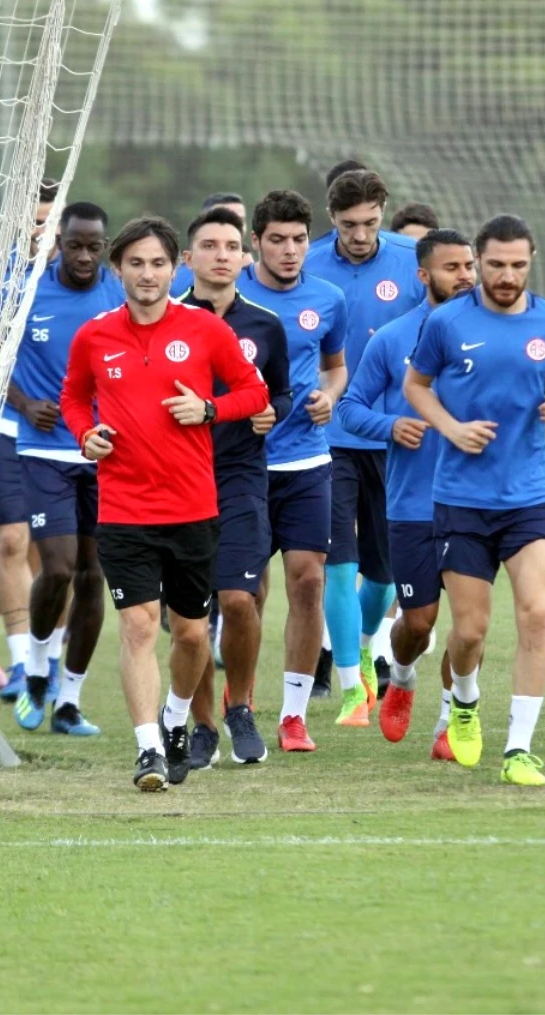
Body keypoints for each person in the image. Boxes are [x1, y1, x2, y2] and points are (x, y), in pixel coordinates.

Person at [60, 215, 269, 790]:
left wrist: (207, 410)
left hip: (194, 508)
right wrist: (87, 436)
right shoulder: (94, 335)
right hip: (123, 510)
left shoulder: (205, 331)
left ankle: (177, 719)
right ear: (117, 269)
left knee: (193, 634)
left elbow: (254, 393)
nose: (147, 274)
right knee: (137, 627)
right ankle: (149, 748)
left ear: (173, 267)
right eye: (135, 263)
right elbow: (75, 398)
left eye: (157, 263)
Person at [404, 214, 545, 787]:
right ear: (479, 263)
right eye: (496, 265)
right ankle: (464, 702)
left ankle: (519, 748)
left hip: (529, 495)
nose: (507, 275)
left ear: (531, 260)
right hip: (461, 498)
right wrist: (450, 429)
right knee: (470, 632)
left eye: (518, 265)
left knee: (536, 612)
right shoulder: (447, 322)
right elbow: (417, 386)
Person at [336, 229, 477, 760]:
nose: (464, 276)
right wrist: (391, 425)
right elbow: (350, 407)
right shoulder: (393, 339)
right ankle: (401, 676)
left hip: (478, 502)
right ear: (423, 275)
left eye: (469, 265)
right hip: (413, 504)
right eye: (451, 267)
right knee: (417, 623)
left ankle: (450, 721)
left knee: (470, 622)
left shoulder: (498, 333)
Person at [308, 169, 425, 725]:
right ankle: (354, 688)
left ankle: (359, 643)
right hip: (327, 437)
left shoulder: (412, 260)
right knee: (338, 564)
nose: (359, 235)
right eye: (349, 225)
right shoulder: (306, 263)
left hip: (393, 437)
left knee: (383, 574)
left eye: (370, 223)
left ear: (384, 211)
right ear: (332, 218)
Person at [178, 206, 292, 768]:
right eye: (209, 245)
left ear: (244, 258)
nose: (221, 255)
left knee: (239, 599)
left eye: (230, 246)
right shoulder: (167, 321)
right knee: (192, 616)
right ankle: (201, 726)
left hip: (243, 476)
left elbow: (283, 393)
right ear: (188, 257)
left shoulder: (265, 325)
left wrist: (274, 413)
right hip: (180, 479)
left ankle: (240, 707)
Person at [8, 202, 125, 737]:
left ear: (105, 247)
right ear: (59, 241)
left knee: (93, 576)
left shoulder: (119, 295)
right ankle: (35, 669)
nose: (83, 255)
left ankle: (71, 702)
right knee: (57, 567)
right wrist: (27, 405)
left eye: (93, 247)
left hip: (105, 453)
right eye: (74, 244)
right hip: (44, 449)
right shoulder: (28, 291)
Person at [238, 190, 347, 752]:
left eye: (298, 239)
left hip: (307, 460)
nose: (288, 250)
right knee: (247, 592)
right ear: (255, 241)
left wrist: (330, 397)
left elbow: (335, 366)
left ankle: (295, 715)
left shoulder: (327, 298)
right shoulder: (228, 296)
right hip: (243, 467)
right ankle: (243, 702)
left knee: (308, 580)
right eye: (276, 239)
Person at [0, 180, 60, 701]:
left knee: (60, 558)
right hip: (8, 428)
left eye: (48, 220)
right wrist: (23, 404)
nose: (41, 231)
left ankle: (49, 661)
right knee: (10, 541)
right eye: (32, 221)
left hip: (67, 437)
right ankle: (18, 664)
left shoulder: (84, 275)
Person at [170, 192, 249, 297]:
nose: (222, 257)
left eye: (240, 220)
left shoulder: (259, 279)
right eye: (209, 246)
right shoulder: (175, 281)